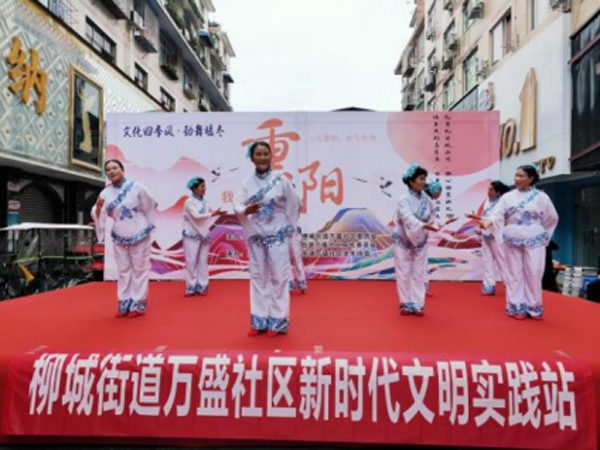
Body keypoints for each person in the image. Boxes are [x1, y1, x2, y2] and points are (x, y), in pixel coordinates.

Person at [234, 141, 301, 337]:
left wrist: (288, 227)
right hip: (256, 235)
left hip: (277, 235)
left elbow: (295, 203)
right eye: (258, 154)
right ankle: (259, 320)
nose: (262, 157)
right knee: (258, 277)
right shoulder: (246, 183)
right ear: (252, 158)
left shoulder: (282, 180)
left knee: (279, 277)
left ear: (271, 156)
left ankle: (278, 321)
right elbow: (237, 204)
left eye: (265, 153)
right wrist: (245, 210)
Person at [481, 165, 559, 320]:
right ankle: (516, 306)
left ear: (531, 178)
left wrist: (543, 234)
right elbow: (497, 214)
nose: (516, 178)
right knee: (514, 273)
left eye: (521, 176)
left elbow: (552, 217)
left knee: (534, 272)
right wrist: (488, 222)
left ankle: (533, 306)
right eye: (516, 175)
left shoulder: (542, 197)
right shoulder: (507, 197)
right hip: (512, 236)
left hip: (533, 237)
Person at [92, 159, 157, 318]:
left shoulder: (137, 187)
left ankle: (137, 304)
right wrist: (98, 209)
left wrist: (147, 223)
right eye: (108, 169)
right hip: (119, 233)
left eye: (115, 168)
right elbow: (97, 212)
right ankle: (124, 302)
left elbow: (150, 204)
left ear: (122, 170)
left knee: (139, 269)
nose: (111, 171)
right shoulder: (105, 193)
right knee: (123, 271)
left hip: (139, 231)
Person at [392, 164, 439, 316]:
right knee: (404, 271)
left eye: (425, 178)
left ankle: (417, 304)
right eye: (421, 179)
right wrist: (422, 225)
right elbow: (407, 218)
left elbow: (433, 215)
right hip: (403, 239)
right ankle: (405, 303)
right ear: (411, 181)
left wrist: (434, 225)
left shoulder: (427, 199)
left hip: (420, 239)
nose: (424, 182)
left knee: (419, 272)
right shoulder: (403, 200)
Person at [182, 176, 225, 296]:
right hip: (191, 235)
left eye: (204, 186)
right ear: (194, 188)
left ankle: (202, 286)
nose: (204, 189)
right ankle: (191, 287)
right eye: (202, 186)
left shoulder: (204, 201)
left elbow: (206, 218)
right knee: (191, 262)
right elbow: (196, 216)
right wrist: (213, 213)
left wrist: (214, 215)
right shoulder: (189, 202)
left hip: (204, 235)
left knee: (203, 262)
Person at [466, 180, 510, 295]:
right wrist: (476, 217)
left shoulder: (502, 202)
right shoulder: (487, 201)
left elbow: (496, 218)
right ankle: (489, 286)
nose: (488, 192)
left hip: (496, 235)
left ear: (498, 192)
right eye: (488, 189)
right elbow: (485, 217)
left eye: (491, 190)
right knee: (488, 261)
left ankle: (510, 285)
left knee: (502, 262)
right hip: (486, 235)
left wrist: (485, 222)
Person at [423, 181, 457, 296]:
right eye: (440, 191)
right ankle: (419, 288)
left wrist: (447, 221)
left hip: (421, 237)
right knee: (419, 264)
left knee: (422, 264)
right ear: (435, 191)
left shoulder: (428, 202)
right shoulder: (425, 203)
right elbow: (430, 224)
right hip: (417, 237)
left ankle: (422, 288)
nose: (440, 194)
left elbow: (433, 223)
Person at [289, 223, 308, 294]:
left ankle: (301, 281)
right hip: (282, 236)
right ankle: (289, 282)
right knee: (285, 261)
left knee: (297, 260)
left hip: (294, 234)